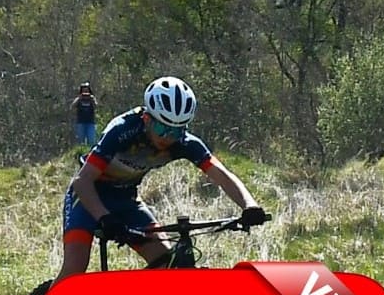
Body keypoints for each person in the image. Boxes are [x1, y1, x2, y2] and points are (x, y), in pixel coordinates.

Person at [55, 76, 267, 284]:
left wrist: (250, 205)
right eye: (162, 128)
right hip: (88, 197)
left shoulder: (184, 143)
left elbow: (222, 175)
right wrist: (104, 217)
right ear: (147, 119)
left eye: (177, 130)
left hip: (126, 199)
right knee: (75, 267)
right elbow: (82, 181)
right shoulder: (122, 130)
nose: (169, 137)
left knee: (166, 262)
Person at [69, 82, 98, 147]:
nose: (85, 93)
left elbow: (96, 106)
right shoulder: (79, 99)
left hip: (91, 123)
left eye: (87, 91)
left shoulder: (92, 98)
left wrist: (92, 99)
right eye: (84, 91)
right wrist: (79, 98)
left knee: (91, 141)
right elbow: (72, 106)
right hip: (80, 123)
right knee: (80, 142)